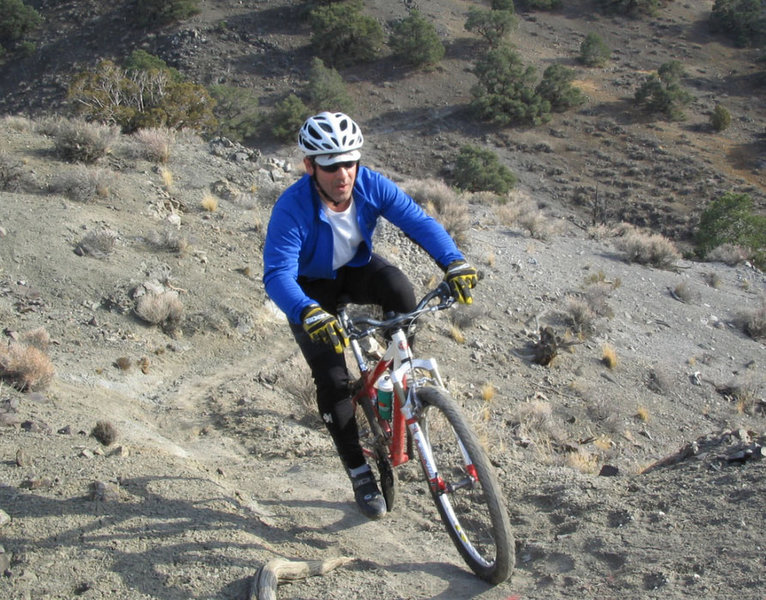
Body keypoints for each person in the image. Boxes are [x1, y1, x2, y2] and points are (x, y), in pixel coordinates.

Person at [262, 111, 478, 519]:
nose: (343, 174)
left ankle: (397, 373)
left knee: (399, 288)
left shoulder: (369, 184)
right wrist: (307, 311)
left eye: (350, 162)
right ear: (310, 166)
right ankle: (360, 472)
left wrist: (454, 261)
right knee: (332, 379)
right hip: (309, 289)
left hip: (354, 269)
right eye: (330, 165)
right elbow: (276, 274)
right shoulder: (292, 208)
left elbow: (417, 220)